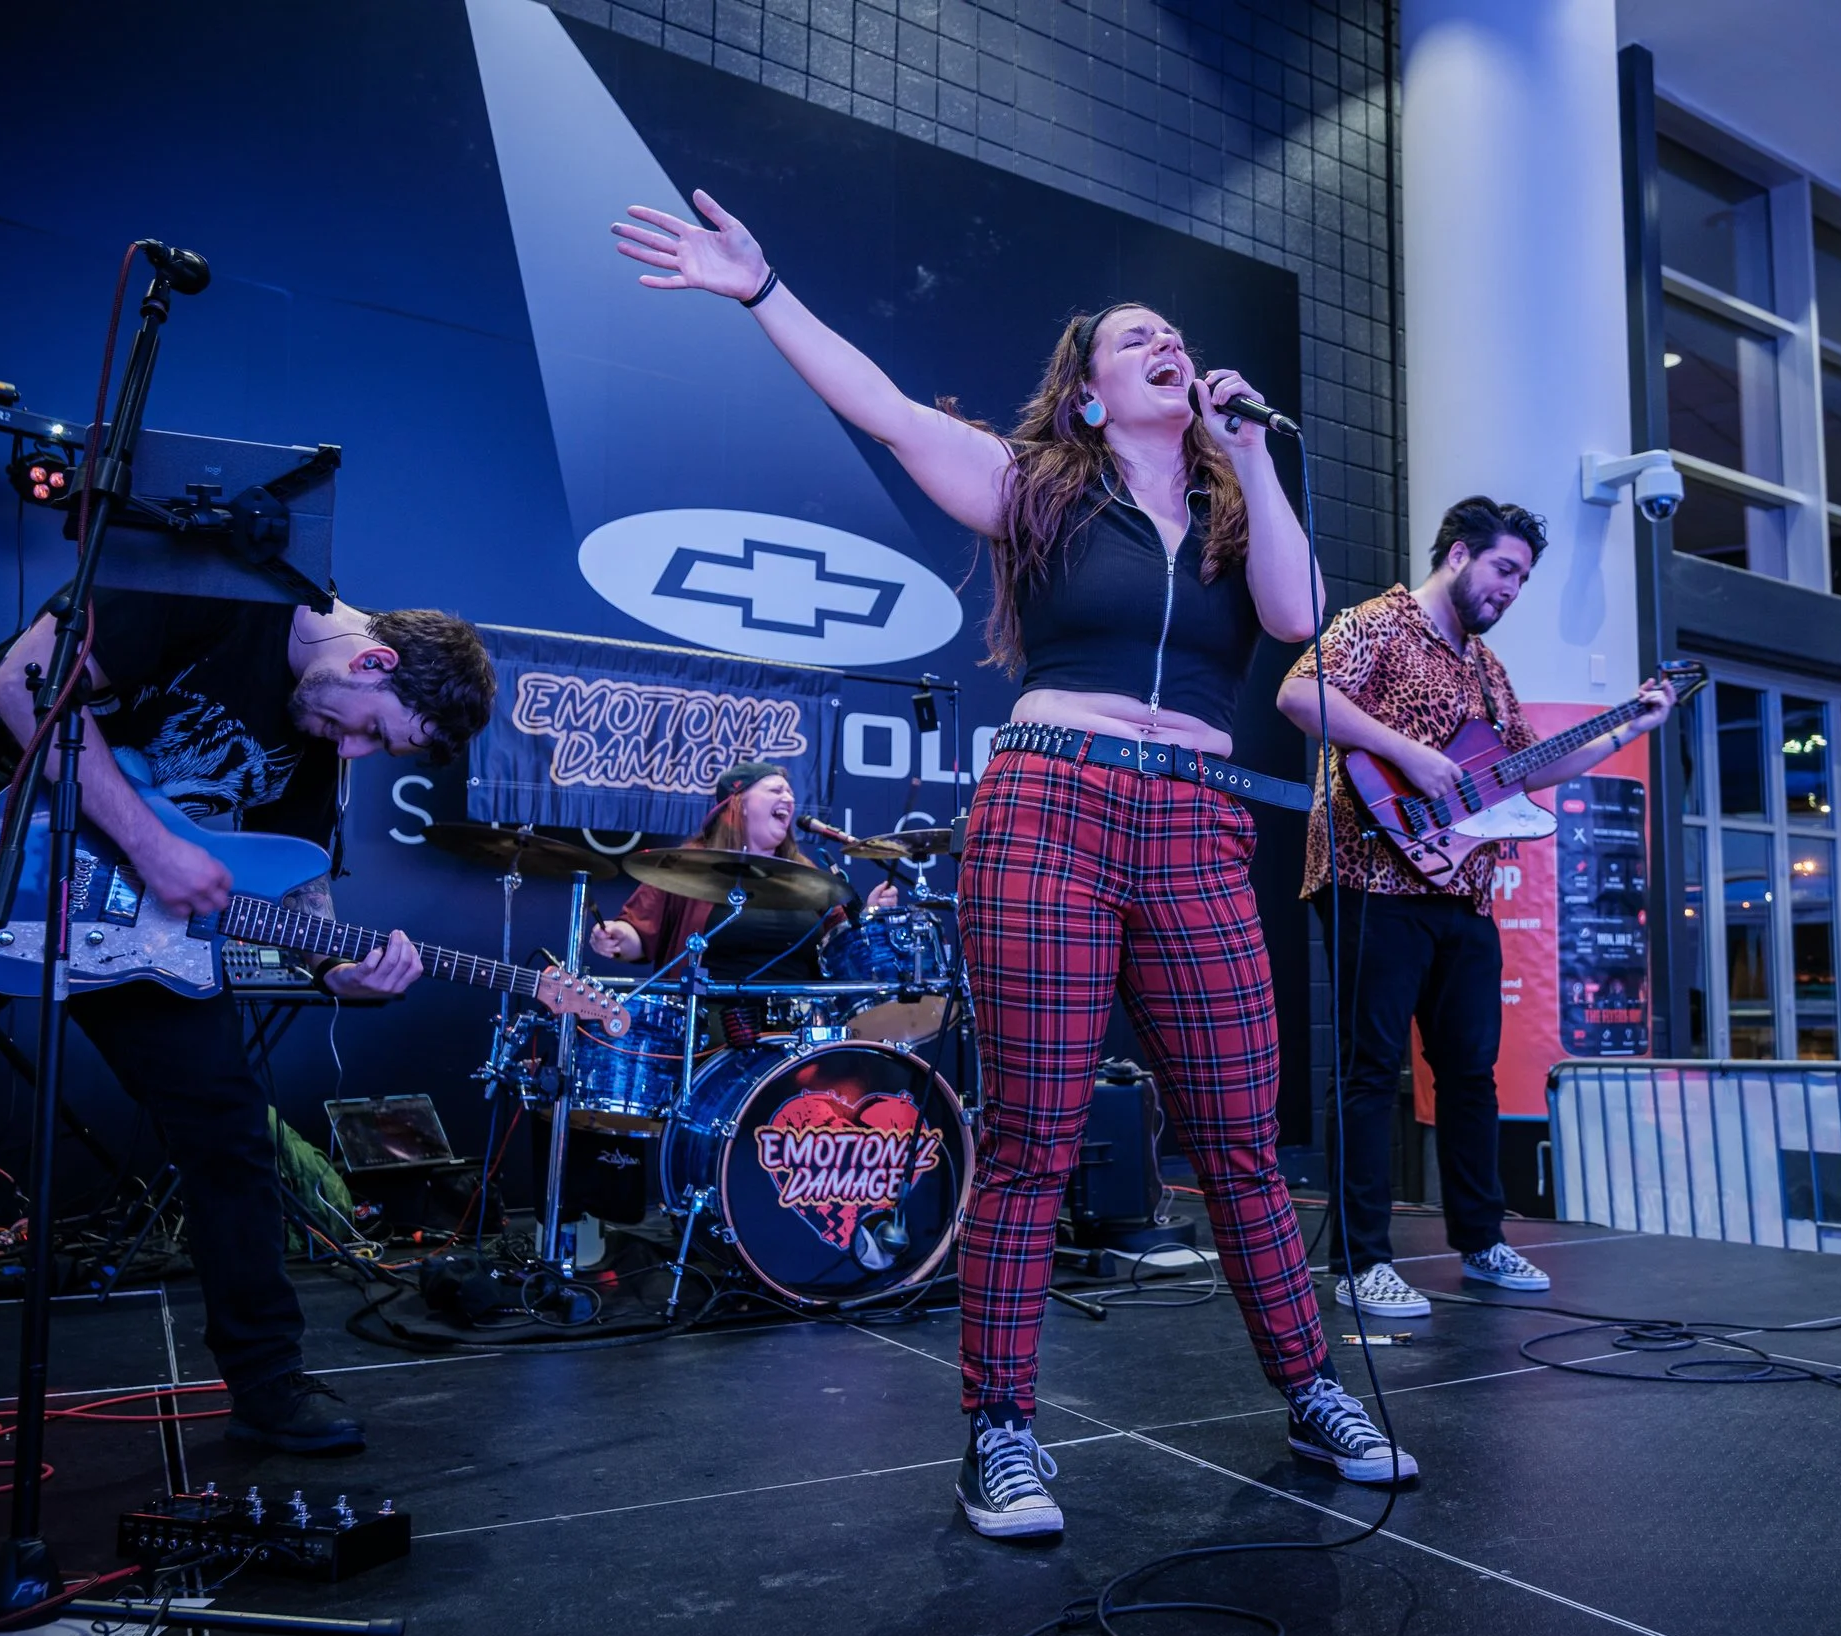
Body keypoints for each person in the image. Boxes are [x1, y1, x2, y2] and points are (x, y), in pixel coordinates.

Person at [615, 189, 1413, 1540]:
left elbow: (1294, 616)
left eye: (1178, 335)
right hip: (1049, 805)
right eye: (1137, 338)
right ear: (1092, 395)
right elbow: (884, 407)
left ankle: (1313, 1385)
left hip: (1199, 821)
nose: (1168, 342)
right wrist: (760, 290)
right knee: (1036, 1133)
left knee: (1238, 1137)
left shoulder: (1232, 511)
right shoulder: (1038, 490)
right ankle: (1000, 1428)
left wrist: (1252, 455)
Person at [0, 585, 496, 1451]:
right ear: (375, 660)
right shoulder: (221, 591)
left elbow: (298, 888)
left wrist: (335, 969)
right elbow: (21, 684)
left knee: (230, 1133)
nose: (351, 748)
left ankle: (268, 1384)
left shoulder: (322, 750)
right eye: (371, 729)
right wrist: (154, 844)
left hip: (131, 935)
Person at [1276, 496, 1671, 1318]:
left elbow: (1528, 767)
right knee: (1370, 1071)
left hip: (1462, 886)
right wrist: (1407, 752)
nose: (1513, 589)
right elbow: (1298, 694)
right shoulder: (1376, 622)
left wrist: (1633, 721)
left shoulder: (1488, 669)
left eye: (1524, 578)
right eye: (1504, 569)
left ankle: (1484, 1239)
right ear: (1457, 554)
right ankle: (1359, 1261)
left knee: (1469, 1074)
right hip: (1370, 874)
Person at [586, 759, 891, 986]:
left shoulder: (805, 872)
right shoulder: (689, 865)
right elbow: (639, 932)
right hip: (713, 1025)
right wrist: (616, 937)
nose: (789, 798)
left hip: (796, 1035)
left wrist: (870, 917)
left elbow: (841, 945)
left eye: (790, 793)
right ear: (739, 804)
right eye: (775, 790)